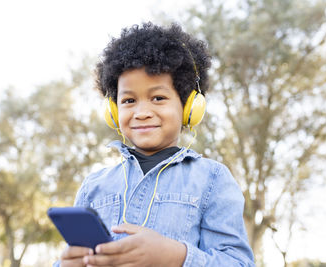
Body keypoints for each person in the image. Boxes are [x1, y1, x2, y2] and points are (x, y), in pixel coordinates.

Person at [57, 22, 255, 266]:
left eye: (158, 98)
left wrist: (175, 256)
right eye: (129, 100)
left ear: (188, 107)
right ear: (113, 110)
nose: (141, 112)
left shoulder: (212, 180)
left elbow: (238, 262)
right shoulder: (94, 186)